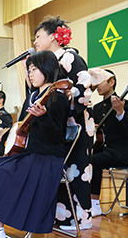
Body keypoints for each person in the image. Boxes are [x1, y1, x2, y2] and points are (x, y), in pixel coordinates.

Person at [0, 51, 70, 238]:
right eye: (29, 70)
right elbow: (21, 127)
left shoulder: (58, 97)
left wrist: (44, 117)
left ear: (48, 69)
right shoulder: (32, 98)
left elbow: (56, 136)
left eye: (34, 69)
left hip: (47, 157)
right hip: (28, 153)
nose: (30, 73)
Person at [32, 15, 94, 229]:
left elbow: (85, 85)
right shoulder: (49, 60)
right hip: (57, 120)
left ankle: (81, 218)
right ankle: (62, 216)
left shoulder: (70, 57)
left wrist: (69, 93)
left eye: (38, 36)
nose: (35, 41)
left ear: (53, 37)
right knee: (59, 167)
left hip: (75, 121)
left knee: (76, 168)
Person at [89, 69, 128, 217]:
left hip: (121, 152)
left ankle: (94, 204)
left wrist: (120, 113)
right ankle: (81, 201)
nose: (97, 85)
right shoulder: (96, 108)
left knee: (93, 161)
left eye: (100, 81)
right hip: (103, 150)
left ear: (111, 81)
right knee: (82, 159)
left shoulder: (125, 103)